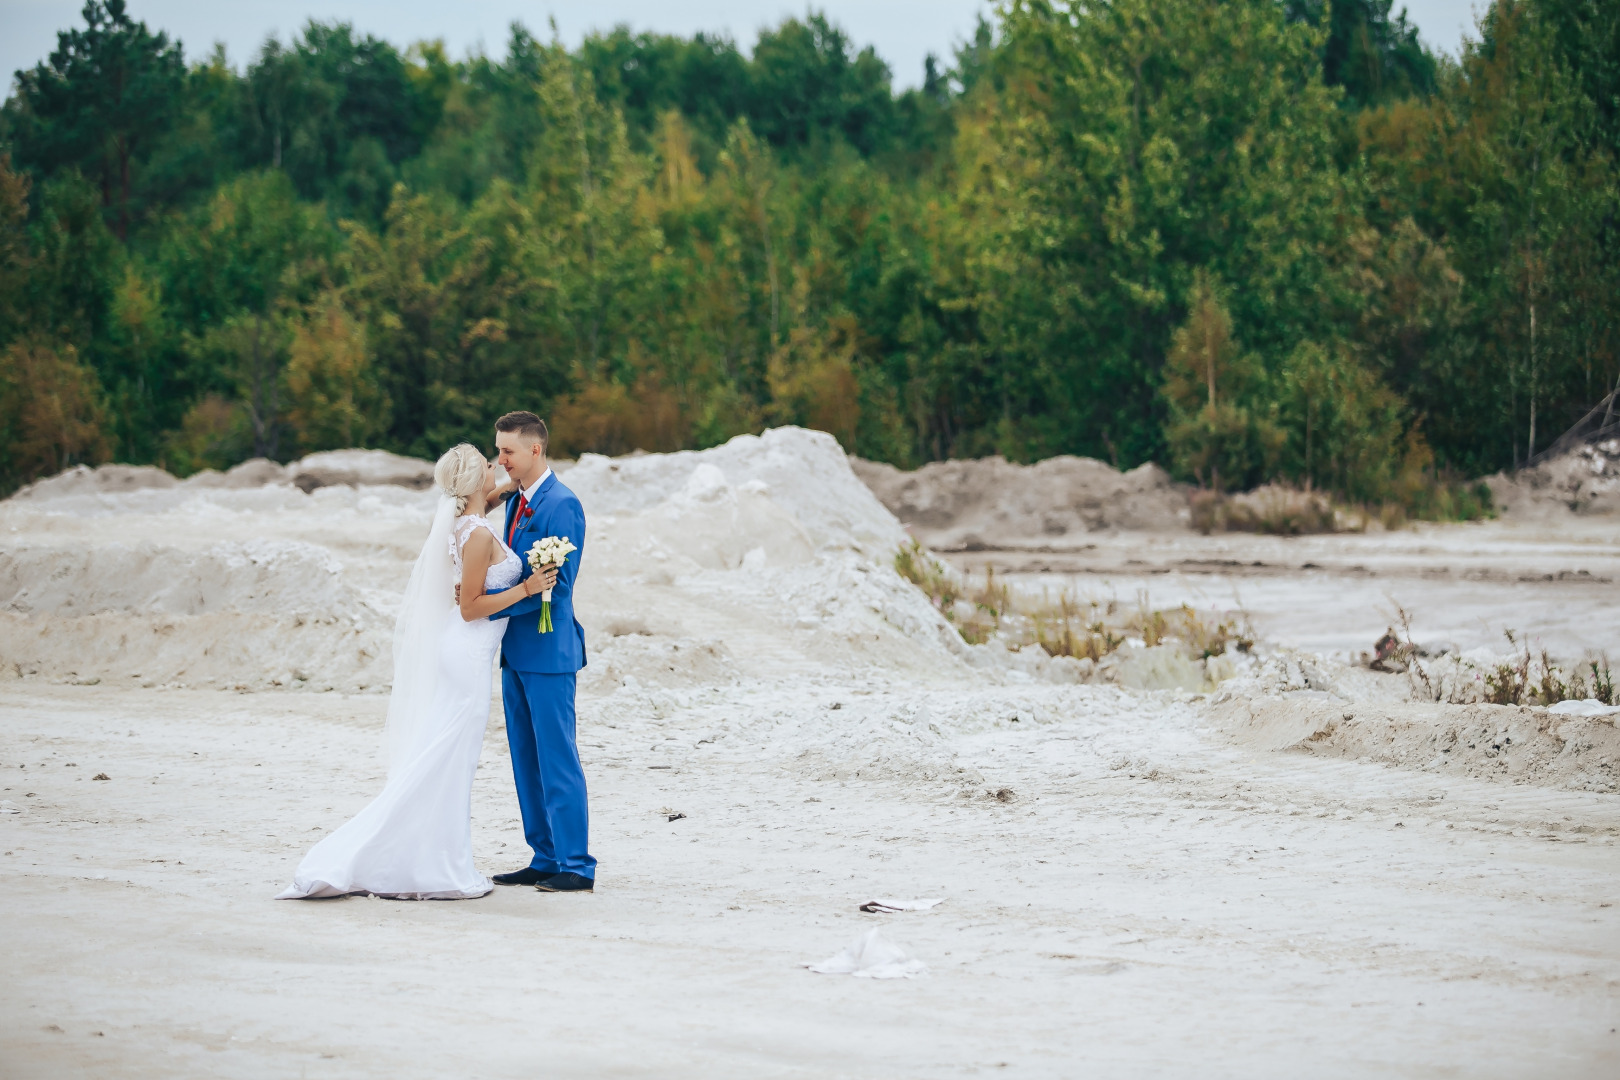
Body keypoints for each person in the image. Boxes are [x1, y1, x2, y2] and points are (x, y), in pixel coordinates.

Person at [275, 444, 557, 900]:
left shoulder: (465, 522)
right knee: (449, 759)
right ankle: (436, 866)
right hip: (467, 652)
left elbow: (490, 507)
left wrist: (518, 485)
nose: (496, 466)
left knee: (445, 756)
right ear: (473, 481)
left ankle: (434, 858)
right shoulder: (480, 535)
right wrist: (526, 587)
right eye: (489, 464)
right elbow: (469, 609)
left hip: (464, 652)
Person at [485, 410, 596, 892]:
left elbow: (559, 587)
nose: (500, 459)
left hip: (549, 654)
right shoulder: (516, 501)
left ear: (535, 450)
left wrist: (488, 609)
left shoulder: (562, 504)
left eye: (507, 450)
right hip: (515, 653)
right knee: (525, 759)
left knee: (557, 758)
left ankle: (576, 864)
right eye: (498, 449)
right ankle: (544, 855)